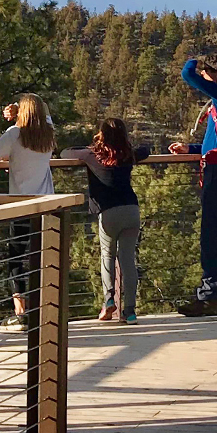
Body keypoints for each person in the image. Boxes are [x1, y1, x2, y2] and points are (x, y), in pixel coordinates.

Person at [170, 51, 217, 317]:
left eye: (207, 73)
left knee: (211, 232)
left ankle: (209, 294)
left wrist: (193, 58)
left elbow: (187, 74)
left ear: (215, 75)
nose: (202, 76)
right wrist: (190, 148)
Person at [63, 118, 150, 323]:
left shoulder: (92, 155)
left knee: (107, 256)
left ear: (101, 135)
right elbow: (145, 150)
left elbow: (65, 153)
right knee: (128, 261)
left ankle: (109, 300)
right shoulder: (128, 154)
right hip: (131, 210)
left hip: (108, 212)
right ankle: (129, 311)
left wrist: (89, 147)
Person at [0, 93, 56, 330]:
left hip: (21, 204)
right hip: (46, 204)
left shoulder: (14, 134)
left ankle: (21, 311)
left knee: (15, 258)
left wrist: (11, 164)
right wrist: (18, 108)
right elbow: (43, 108)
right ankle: (43, 309)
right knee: (40, 258)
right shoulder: (48, 131)